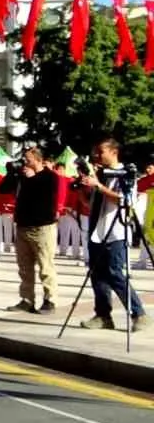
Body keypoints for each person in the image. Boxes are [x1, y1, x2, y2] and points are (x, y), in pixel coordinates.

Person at [78, 138, 150, 332]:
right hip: (97, 231)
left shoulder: (126, 174)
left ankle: (138, 313)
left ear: (113, 152)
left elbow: (124, 200)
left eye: (101, 152)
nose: (97, 155)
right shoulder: (100, 174)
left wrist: (99, 186)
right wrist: (85, 187)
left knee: (115, 273)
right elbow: (89, 203)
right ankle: (103, 315)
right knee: (97, 275)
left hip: (116, 231)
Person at [0, 148, 60, 315]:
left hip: (42, 227)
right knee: (24, 267)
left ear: (39, 160)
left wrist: (32, 179)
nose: (26, 163)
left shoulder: (50, 177)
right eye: (24, 160)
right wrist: (11, 173)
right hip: (23, 226)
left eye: (29, 160)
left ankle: (50, 300)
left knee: (45, 266)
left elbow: (45, 197)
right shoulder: (22, 176)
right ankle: (27, 299)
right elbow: (2, 189)